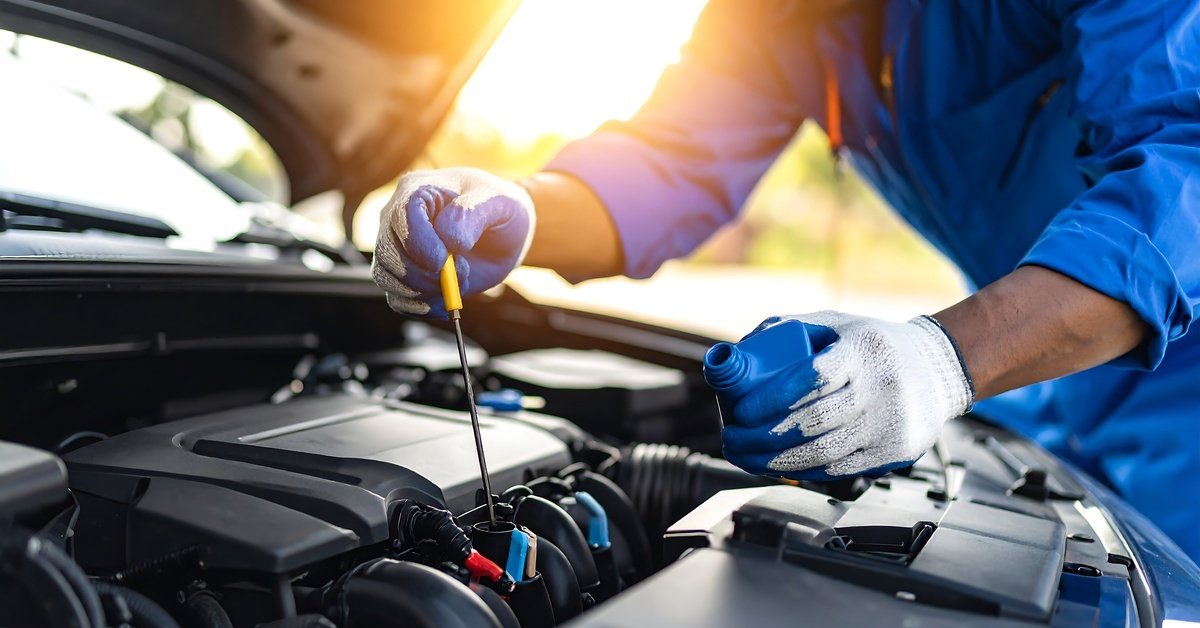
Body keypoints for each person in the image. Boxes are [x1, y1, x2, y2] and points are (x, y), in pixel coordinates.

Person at [371, 0, 1200, 560]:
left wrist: (942, 361)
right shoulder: (779, 17)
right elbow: (670, 162)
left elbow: (1185, 164)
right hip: (1058, 385)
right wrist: (520, 207)